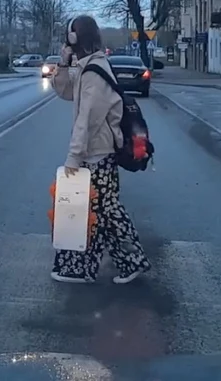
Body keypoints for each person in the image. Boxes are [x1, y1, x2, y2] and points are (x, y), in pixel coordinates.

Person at [49, 15, 151, 285]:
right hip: (93, 152)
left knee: (106, 211)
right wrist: (63, 64)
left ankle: (132, 260)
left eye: (69, 36)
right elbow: (66, 92)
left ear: (75, 38)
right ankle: (85, 267)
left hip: (99, 153)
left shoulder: (95, 72)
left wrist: (74, 156)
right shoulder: (86, 68)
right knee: (94, 211)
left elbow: (88, 119)